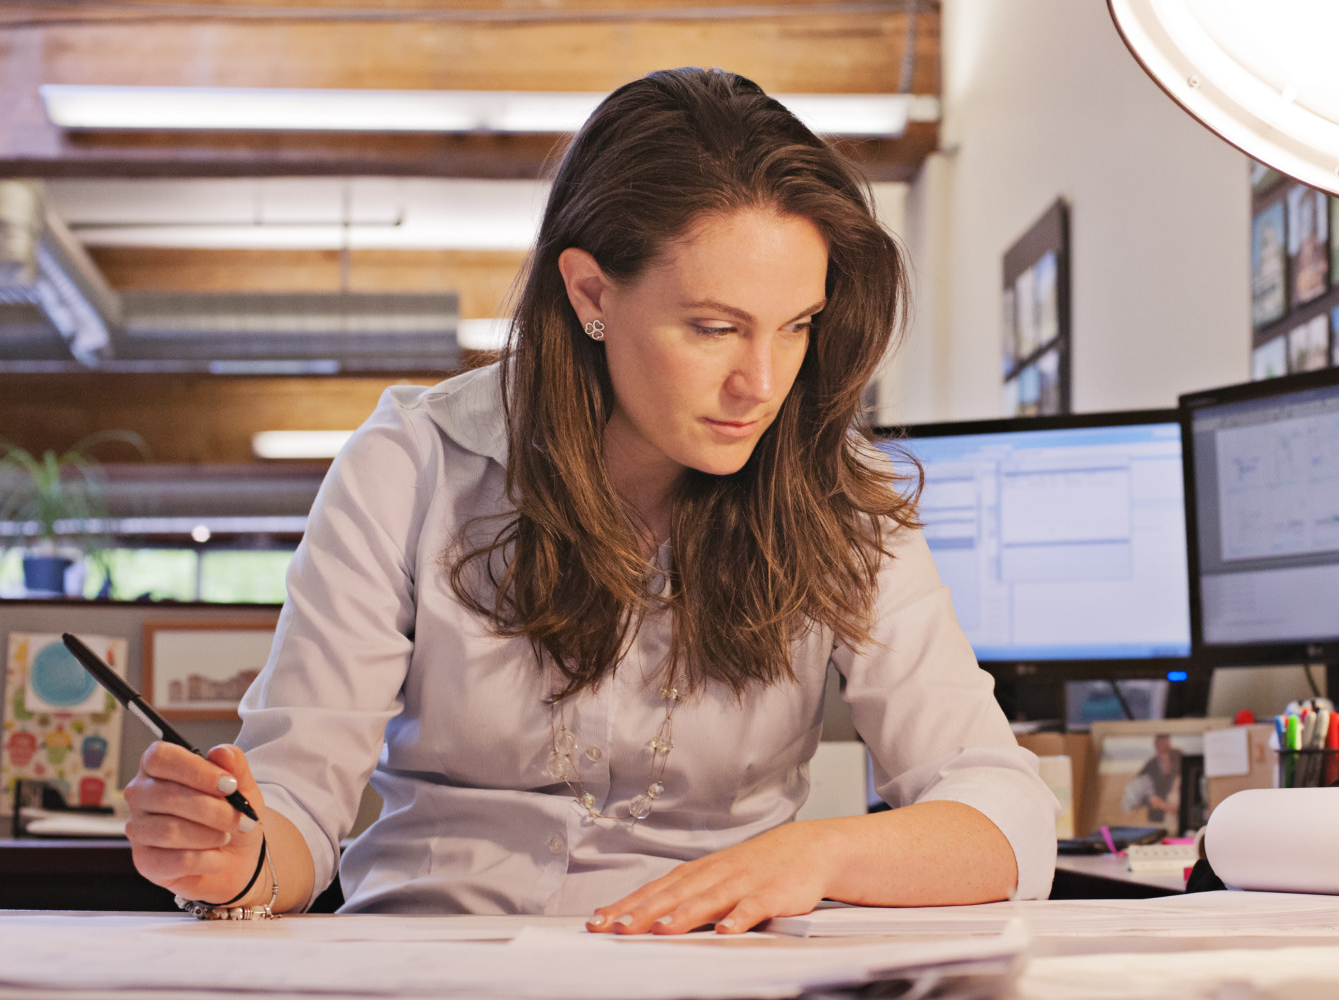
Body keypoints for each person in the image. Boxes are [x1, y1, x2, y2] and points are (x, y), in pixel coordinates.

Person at [119, 67, 1057, 932]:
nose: (762, 384)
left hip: (716, 976)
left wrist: (817, 851)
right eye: (715, 328)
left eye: (796, 327)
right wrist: (234, 860)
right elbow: (294, 813)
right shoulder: (410, 466)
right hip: (439, 969)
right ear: (589, 292)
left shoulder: (835, 497)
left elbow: (1007, 813)